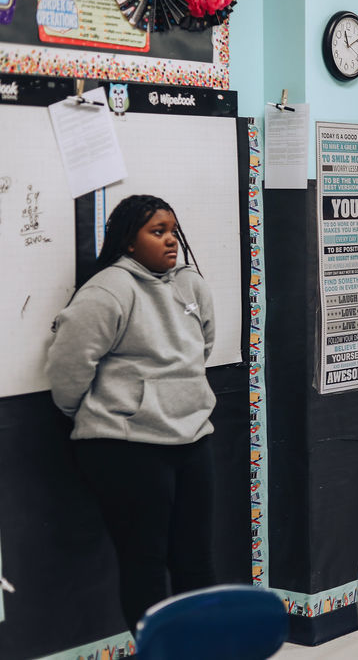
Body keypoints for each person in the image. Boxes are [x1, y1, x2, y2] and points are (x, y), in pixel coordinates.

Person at [46, 194, 217, 629]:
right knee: (145, 561)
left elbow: (204, 346)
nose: (170, 240)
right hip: (126, 443)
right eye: (157, 232)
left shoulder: (191, 284)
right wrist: (96, 412)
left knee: (195, 558)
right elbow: (69, 365)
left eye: (173, 231)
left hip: (192, 435)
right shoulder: (108, 289)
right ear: (128, 241)